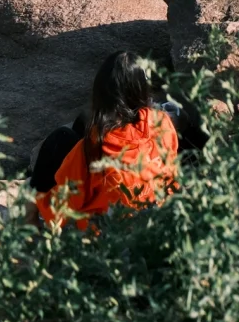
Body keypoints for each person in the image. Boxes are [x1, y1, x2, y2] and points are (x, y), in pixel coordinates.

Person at [31, 50, 178, 228]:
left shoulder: (94, 145)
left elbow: (66, 203)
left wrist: (38, 202)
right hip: (157, 217)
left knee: (61, 139)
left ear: (100, 92)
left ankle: (28, 219)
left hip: (108, 235)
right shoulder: (162, 123)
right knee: (79, 126)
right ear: (142, 89)